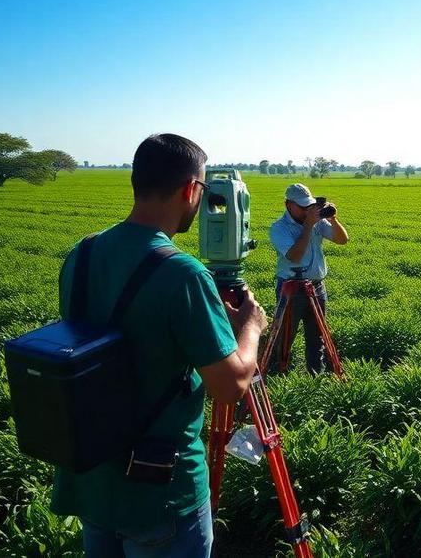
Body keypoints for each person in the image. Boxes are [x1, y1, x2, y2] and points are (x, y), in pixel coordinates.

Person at [53, 133, 266, 557]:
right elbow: (230, 386)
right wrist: (250, 327)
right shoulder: (184, 275)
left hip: (92, 478)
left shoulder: (83, 253)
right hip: (160, 490)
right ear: (191, 189)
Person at [268, 183, 349, 373]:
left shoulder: (317, 221)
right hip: (291, 289)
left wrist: (333, 220)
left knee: (317, 336)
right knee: (285, 336)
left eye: (309, 206)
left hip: (316, 287)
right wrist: (307, 227)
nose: (307, 210)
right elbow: (294, 256)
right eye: (303, 207)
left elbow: (342, 240)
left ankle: (316, 376)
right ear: (288, 205)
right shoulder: (279, 228)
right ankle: (278, 375)